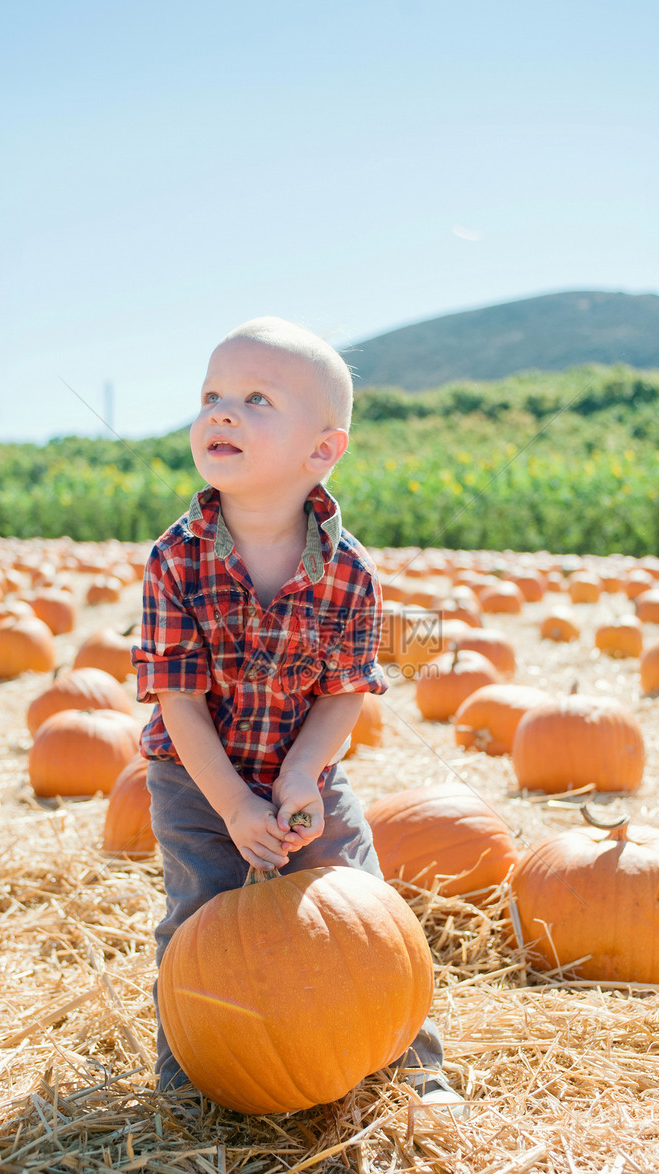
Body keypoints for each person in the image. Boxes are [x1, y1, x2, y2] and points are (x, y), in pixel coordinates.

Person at [132, 316, 467, 1116]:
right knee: (202, 914)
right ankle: (188, 1073)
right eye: (211, 395)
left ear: (323, 450)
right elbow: (177, 701)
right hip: (194, 774)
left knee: (361, 901)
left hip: (305, 763)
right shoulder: (174, 558)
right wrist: (236, 806)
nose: (221, 412)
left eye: (255, 398)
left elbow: (344, 691)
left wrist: (297, 776)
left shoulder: (350, 570)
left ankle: (414, 1066)